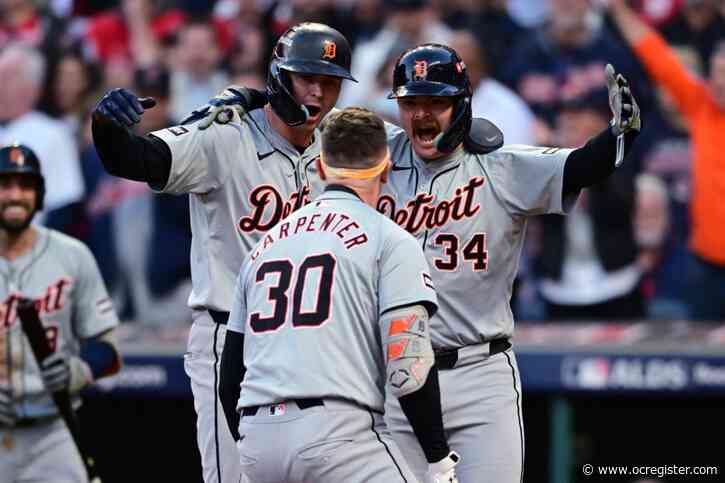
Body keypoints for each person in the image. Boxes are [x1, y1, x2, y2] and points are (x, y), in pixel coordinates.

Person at [90, 22, 357, 483]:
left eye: (330, 82)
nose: (318, 91)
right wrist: (106, 128)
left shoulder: (339, 142)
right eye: (307, 77)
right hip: (234, 337)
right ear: (280, 76)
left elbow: (414, 145)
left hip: (314, 341)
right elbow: (137, 158)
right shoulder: (224, 134)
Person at [377, 43, 641, 482]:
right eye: (411, 103)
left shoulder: (502, 167)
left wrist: (622, 132)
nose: (422, 115)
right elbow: (316, 125)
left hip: (480, 373)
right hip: (395, 376)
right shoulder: (376, 156)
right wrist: (258, 101)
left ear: (462, 104)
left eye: (436, 102)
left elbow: (582, 167)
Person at [219, 107, 459, 483]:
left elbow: (229, 378)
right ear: (385, 169)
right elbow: (408, 368)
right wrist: (438, 458)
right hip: (338, 435)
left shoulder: (264, 245)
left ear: (320, 169)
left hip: (257, 440)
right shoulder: (390, 239)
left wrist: (263, 448)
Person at [0, 143, 121, 483]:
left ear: (39, 195)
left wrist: (78, 370)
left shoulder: (72, 255)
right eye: (5, 185)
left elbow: (109, 351)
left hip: (54, 430)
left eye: (25, 185)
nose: (14, 195)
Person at [607, 0, 725, 320]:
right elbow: (653, 51)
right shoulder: (703, 105)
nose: (720, 82)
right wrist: (617, 7)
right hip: (708, 265)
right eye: (715, 72)